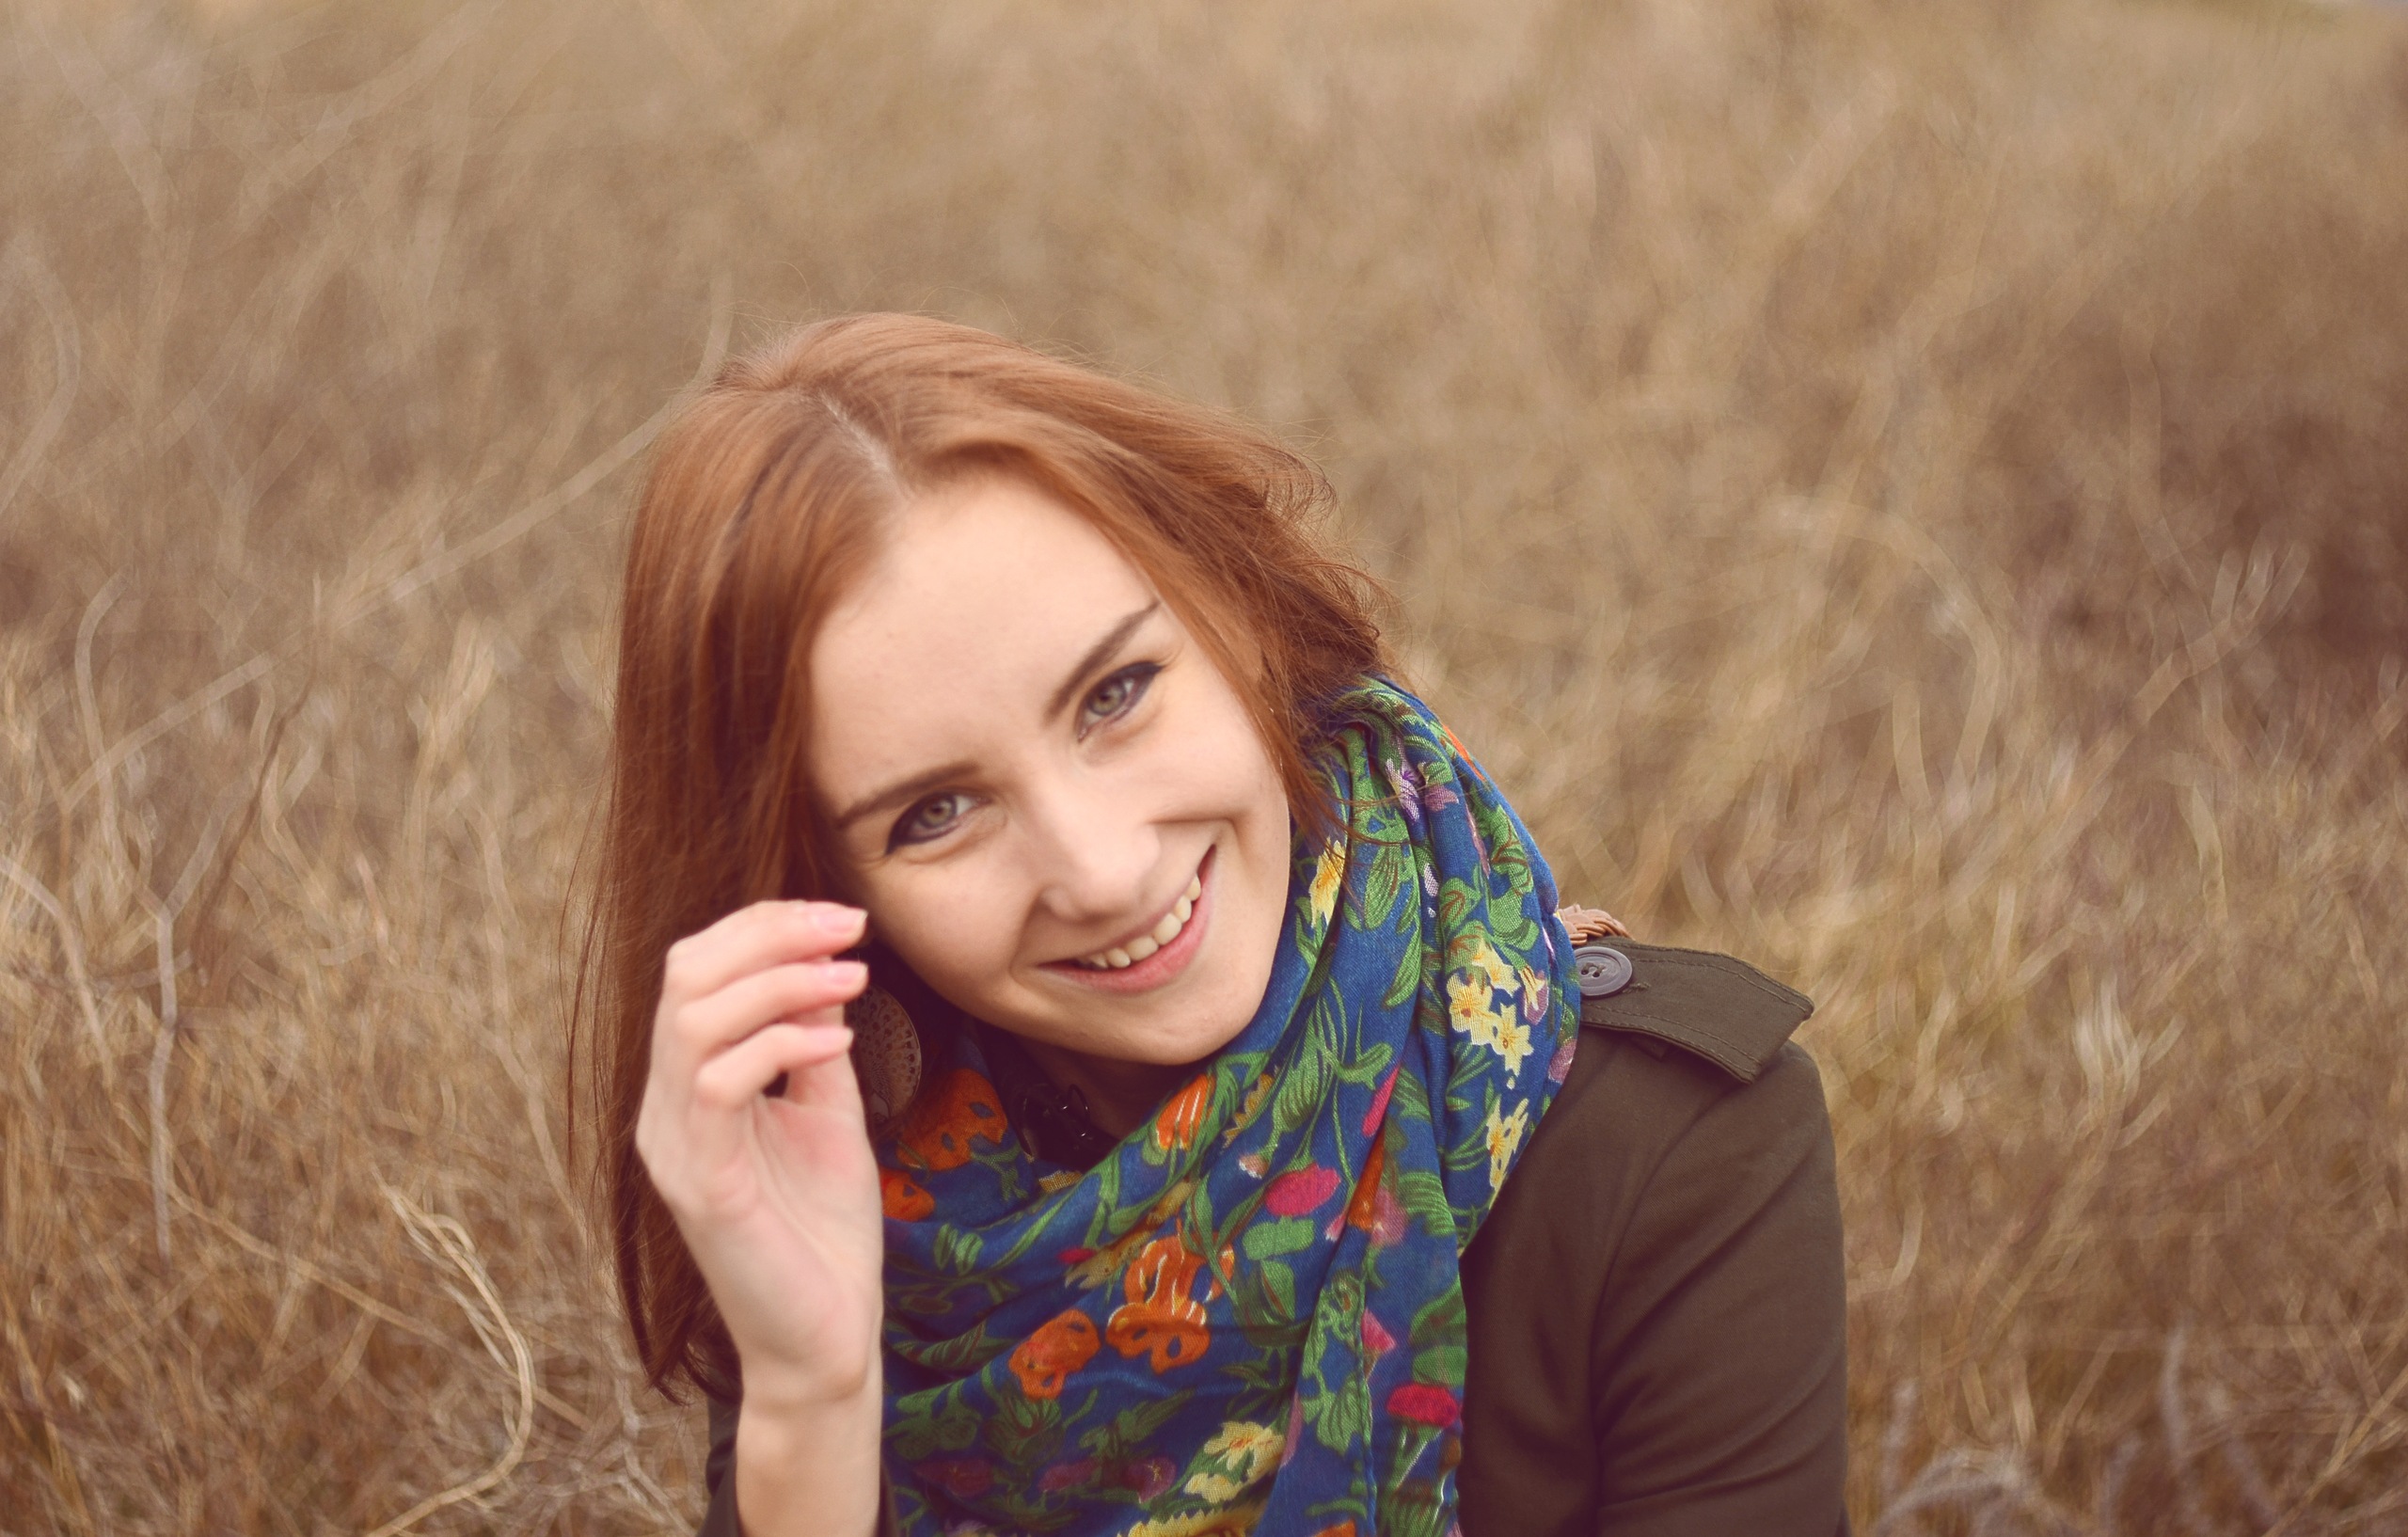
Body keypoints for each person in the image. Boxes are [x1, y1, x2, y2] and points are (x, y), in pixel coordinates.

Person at [577, 313, 1849, 1537]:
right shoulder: (851, 1196)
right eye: (937, 813)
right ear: (823, 895)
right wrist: (810, 1397)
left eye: (1116, 693)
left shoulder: (1667, 1150)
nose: (1103, 869)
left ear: (1239, 612)